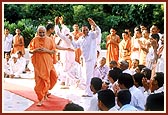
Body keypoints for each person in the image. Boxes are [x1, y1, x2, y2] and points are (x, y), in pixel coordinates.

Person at [67, 18, 101, 97]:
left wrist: (94, 24)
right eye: (83, 30)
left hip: (91, 59)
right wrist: (71, 40)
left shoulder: (92, 35)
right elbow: (75, 46)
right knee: (86, 75)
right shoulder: (81, 38)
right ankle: (88, 91)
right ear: (81, 31)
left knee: (88, 76)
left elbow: (98, 32)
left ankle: (88, 92)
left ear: (88, 30)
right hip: (85, 59)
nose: (85, 31)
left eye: (86, 30)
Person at [28, 26, 58, 106]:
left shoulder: (50, 40)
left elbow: (54, 51)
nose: (41, 34)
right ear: (38, 33)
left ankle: (45, 92)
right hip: (38, 64)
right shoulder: (34, 40)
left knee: (51, 78)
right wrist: (35, 50)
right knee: (39, 83)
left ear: (45, 32)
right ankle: (40, 99)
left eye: (43, 32)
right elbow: (30, 50)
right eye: (40, 32)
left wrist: (46, 50)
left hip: (48, 64)